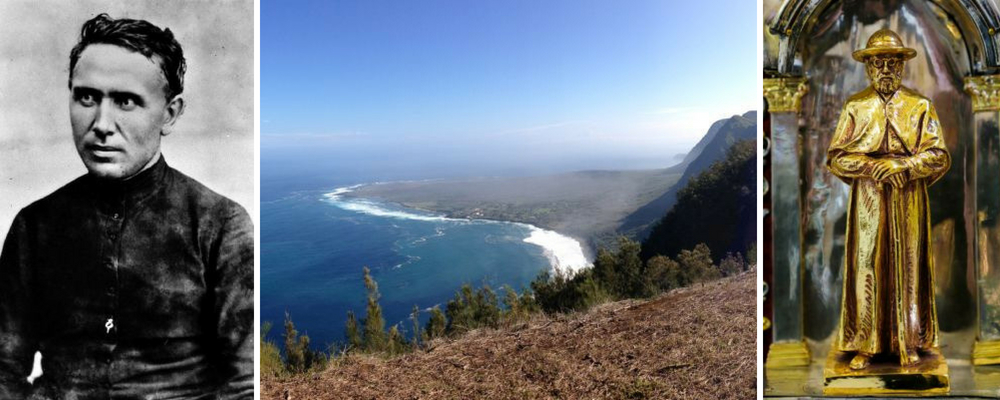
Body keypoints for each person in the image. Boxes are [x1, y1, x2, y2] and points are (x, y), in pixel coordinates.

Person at [0, 14, 253, 398]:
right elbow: (3, 371)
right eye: (87, 97)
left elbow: (244, 383)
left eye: (126, 101)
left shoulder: (220, 225)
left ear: (170, 113)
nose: (102, 123)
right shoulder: (35, 226)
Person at [826, 28, 950, 370]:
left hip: (909, 198)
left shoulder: (919, 106)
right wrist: (870, 165)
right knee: (867, 266)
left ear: (902, 67)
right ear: (868, 67)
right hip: (868, 199)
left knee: (909, 266)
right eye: (878, 62)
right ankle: (865, 344)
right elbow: (836, 157)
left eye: (892, 63)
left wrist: (906, 165)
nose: (885, 69)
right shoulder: (856, 107)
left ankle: (908, 342)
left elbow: (938, 155)